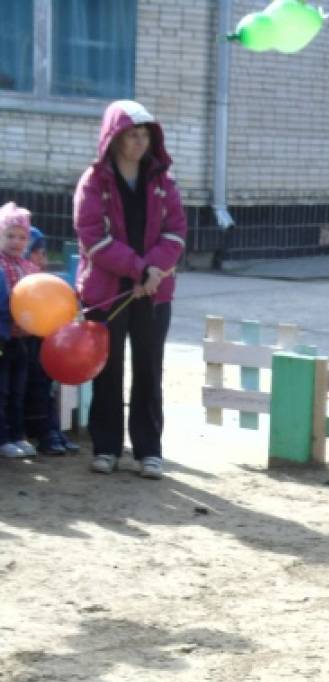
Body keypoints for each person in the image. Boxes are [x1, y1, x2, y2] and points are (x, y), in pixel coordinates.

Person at [74, 99, 186, 479]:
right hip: (108, 293)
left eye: (145, 136)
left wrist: (154, 273)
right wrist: (141, 269)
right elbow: (93, 238)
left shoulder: (164, 183)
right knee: (107, 370)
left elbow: (176, 233)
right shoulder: (93, 182)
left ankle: (148, 452)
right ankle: (106, 448)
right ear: (114, 138)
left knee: (149, 368)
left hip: (155, 293)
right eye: (132, 136)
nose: (140, 143)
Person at [23, 227, 80, 456]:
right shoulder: (20, 279)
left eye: (44, 253)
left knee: (48, 385)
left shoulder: (44, 282)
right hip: (22, 343)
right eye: (36, 252)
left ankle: (53, 428)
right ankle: (42, 432)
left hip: (42, 342)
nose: (42, 258)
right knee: (35, 385)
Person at [0, 202, 37, 459]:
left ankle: (17, 434)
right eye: (9, 235)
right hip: (2, 338)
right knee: (1, 391)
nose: (16, 241)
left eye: (21, 237)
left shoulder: (29, 268)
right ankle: (3, 438)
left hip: (22, 339)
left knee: (18, 391)